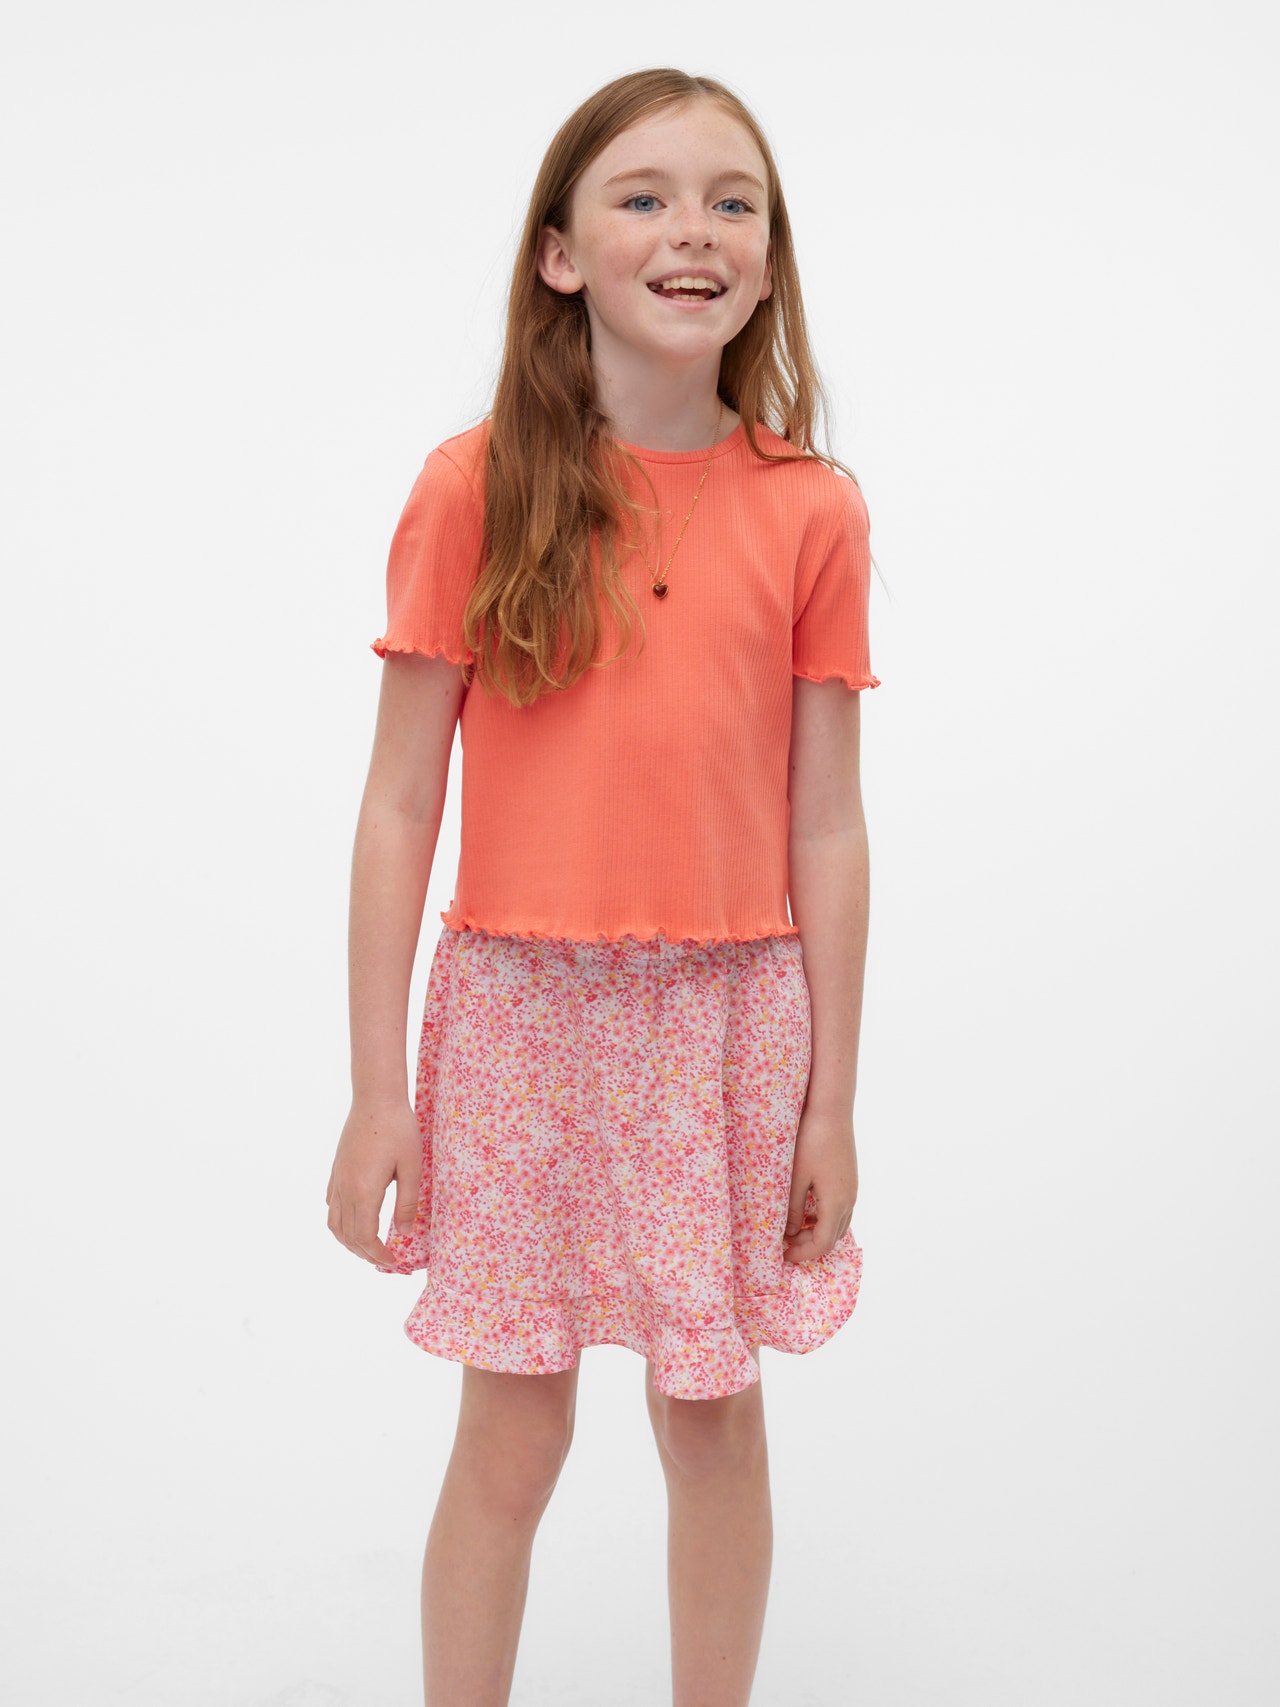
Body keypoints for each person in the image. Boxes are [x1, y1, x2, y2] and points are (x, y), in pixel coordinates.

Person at [326, 65, 882, 1707]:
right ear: (560, 252)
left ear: (767, 264)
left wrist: (832, 1101)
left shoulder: (812, 510)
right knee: (512, 1433)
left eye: (731, 203)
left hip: (726, 1022)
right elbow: (399, 801)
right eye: (644, 196)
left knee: (713, 1424)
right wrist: (379, 1093)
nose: (692, 230)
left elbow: (829, 824)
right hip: (522, 1018)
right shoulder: (473, 486)